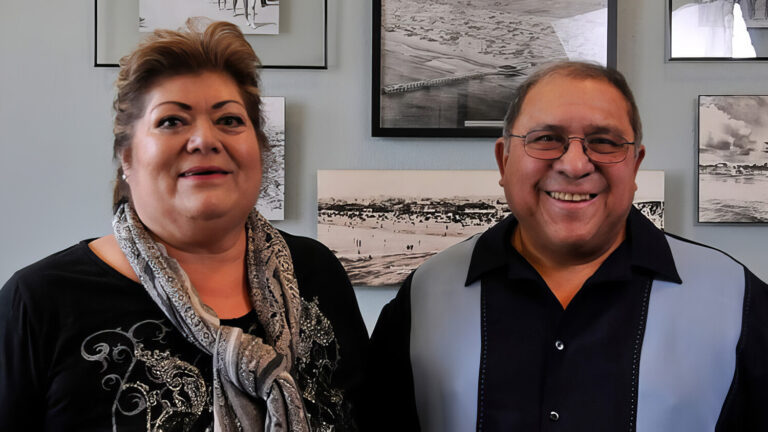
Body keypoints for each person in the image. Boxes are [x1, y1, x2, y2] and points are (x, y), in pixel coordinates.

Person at [0, 21, 368, 431]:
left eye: (229, 120)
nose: (205, 140)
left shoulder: (316, 273)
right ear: (126, 156)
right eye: (172, 121)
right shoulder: (39, 302)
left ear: (260, 148)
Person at [363, 61, 768, 431]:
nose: (575, 165)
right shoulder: (425, 296)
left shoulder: (736, 300)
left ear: (635, 165)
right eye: (546, 138)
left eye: (605, 141)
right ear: (504, 162)